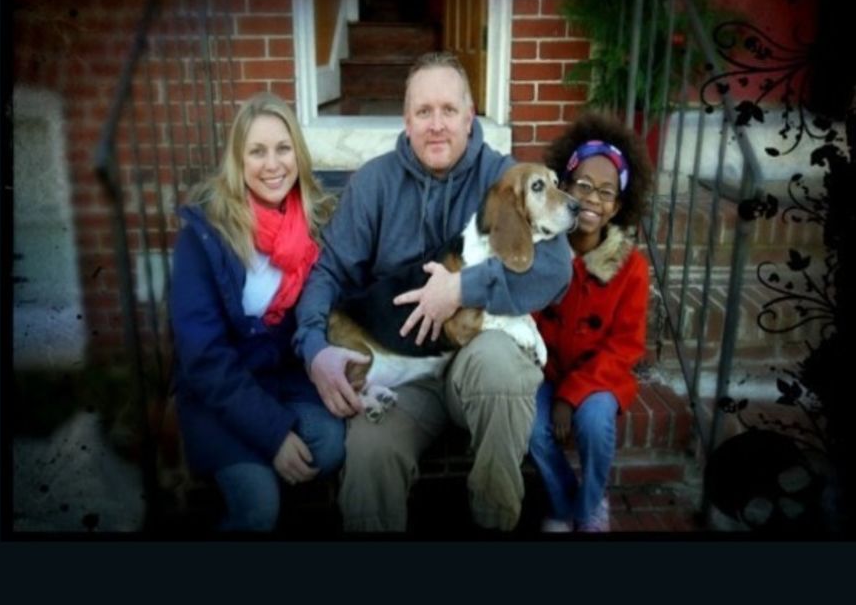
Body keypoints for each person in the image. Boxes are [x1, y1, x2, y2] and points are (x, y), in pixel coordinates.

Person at [293, 51, 573, 533]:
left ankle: (495, 522)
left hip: (475, 361)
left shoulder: (505, 177)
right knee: (371, 451)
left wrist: (462, 288)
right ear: (406, 121)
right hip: (402, 370)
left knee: (502, 367)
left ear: (470, 116)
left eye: (448, 110)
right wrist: (314, 347)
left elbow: (555, 269)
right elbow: (328, 272)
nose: (437, 125)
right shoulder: (374, 183)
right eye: (424, 111)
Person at [169, 92, 344, 532]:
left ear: (298, 154)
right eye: (257, 151)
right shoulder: (204, 236)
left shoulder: (316, 222)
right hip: (220, 395)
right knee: (258, 507)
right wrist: (272, 434)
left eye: (283, 149)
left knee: (329, 447)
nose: (272, 165)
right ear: (238, 160)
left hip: (284, 382)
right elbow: (203, 357)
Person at [528, 113, 655, 532]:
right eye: (583, 185)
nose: (592, 200)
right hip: (544, 372)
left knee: (596, 422)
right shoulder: (542, 250)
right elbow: (525, 318)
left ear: (617, 206)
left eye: (605, 192)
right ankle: (564, 504)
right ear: (564, 187)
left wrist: (570, 396)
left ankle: (591, 504)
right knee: (532, 427)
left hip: (599, 377)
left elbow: (624, 348)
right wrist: (548, 386)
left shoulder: (632, 268)